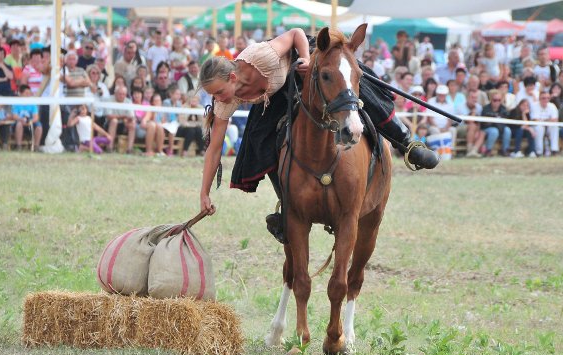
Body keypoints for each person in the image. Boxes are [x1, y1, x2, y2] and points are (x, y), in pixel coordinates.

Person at [198, 28, 439, 242]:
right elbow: (215, 148)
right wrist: (204, 193)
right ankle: (287, 206)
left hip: (303, 57)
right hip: (278, 93)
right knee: (260, 140)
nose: (217, 99)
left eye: (219, 92)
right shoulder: (225, 102)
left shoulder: (261, 56)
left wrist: (305, 58)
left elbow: (295, 33)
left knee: (349, 85)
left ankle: (408, 144)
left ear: (232, 77)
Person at [480, 89, 511, 157]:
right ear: (491, 99)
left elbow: (506, 122)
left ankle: (505, 150)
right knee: (494, 131)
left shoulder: (503, 109)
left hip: (500, 128)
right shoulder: (485, 109)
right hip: (487, 129)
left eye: (499, 100)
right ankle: (488, 150)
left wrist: (495, 122)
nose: (497, 102)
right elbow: (485, 124)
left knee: (507, 130)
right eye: (495, 100)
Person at [11, 85, 43, 150]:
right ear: (21, 93)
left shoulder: (32, 103)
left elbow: (36, 117)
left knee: (39, 126)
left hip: (30, 123)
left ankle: (36, 147)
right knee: (19, 124)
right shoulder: (16, 103)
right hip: (19, 122)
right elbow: (14, 116)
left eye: (29, 93)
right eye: (26, 93)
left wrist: (30, 121)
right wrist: (21, 120)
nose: (28, 95)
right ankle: (19, 146)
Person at [530, 91, 559, 156]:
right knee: (539, 128)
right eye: (543, 98)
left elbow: (555, 120)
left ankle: (554, 150)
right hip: (537, 126)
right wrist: (547, 120)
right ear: (539, 98)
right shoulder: (534, 105)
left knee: (554, 127)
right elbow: (535, 120)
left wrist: (544, 121)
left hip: (548, 126)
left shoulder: (552, 106)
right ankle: (539, 151)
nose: (546, 100)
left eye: (547, 98)